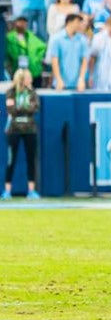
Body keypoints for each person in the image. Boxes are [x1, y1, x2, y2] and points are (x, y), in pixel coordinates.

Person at [4, 69, 40, 200]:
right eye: (28, 77)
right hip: (14, 130)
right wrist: (24, 109)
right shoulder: (11, 92)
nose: (30, 79)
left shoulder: (32, 93)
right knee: (11, 160)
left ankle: (31, 189)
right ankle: (7, 190)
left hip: (30, 130)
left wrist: (21, 109)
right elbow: (11, 109)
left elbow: (34, 107)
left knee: (31, 159)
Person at [48, 13, 89, 90]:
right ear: (70, 22)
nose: (79, 24)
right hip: (61, 84)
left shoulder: (82, 40)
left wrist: (81, 79)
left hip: (77, 85)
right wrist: (58, 79)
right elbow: (55, 60)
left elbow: (84, 60)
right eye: (77, 22)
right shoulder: (57, 39)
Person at [5, 16, 46, 87]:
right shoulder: (9, 37)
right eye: (20, 22)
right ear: (15, 23)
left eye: (24, 22)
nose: (22, 24)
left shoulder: (31, 36)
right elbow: (7, 52)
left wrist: (37, 59)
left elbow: (42, 47)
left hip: (33, 71)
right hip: (17, 71)